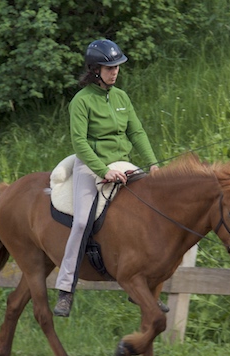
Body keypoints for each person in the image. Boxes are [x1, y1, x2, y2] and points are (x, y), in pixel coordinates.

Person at [53, 39, 160, 317]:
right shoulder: (81, 101)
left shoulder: (122, 97)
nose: (114, 72)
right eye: (108, 67)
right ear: (94, 69)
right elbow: (80, 143)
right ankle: (65, 289)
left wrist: (152, 162)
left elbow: (136, 133)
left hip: (123, 164)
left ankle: (143, 286)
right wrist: (103, 171)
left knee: (149, 211)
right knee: (81, 222)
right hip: (91, 166)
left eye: (117, 67)